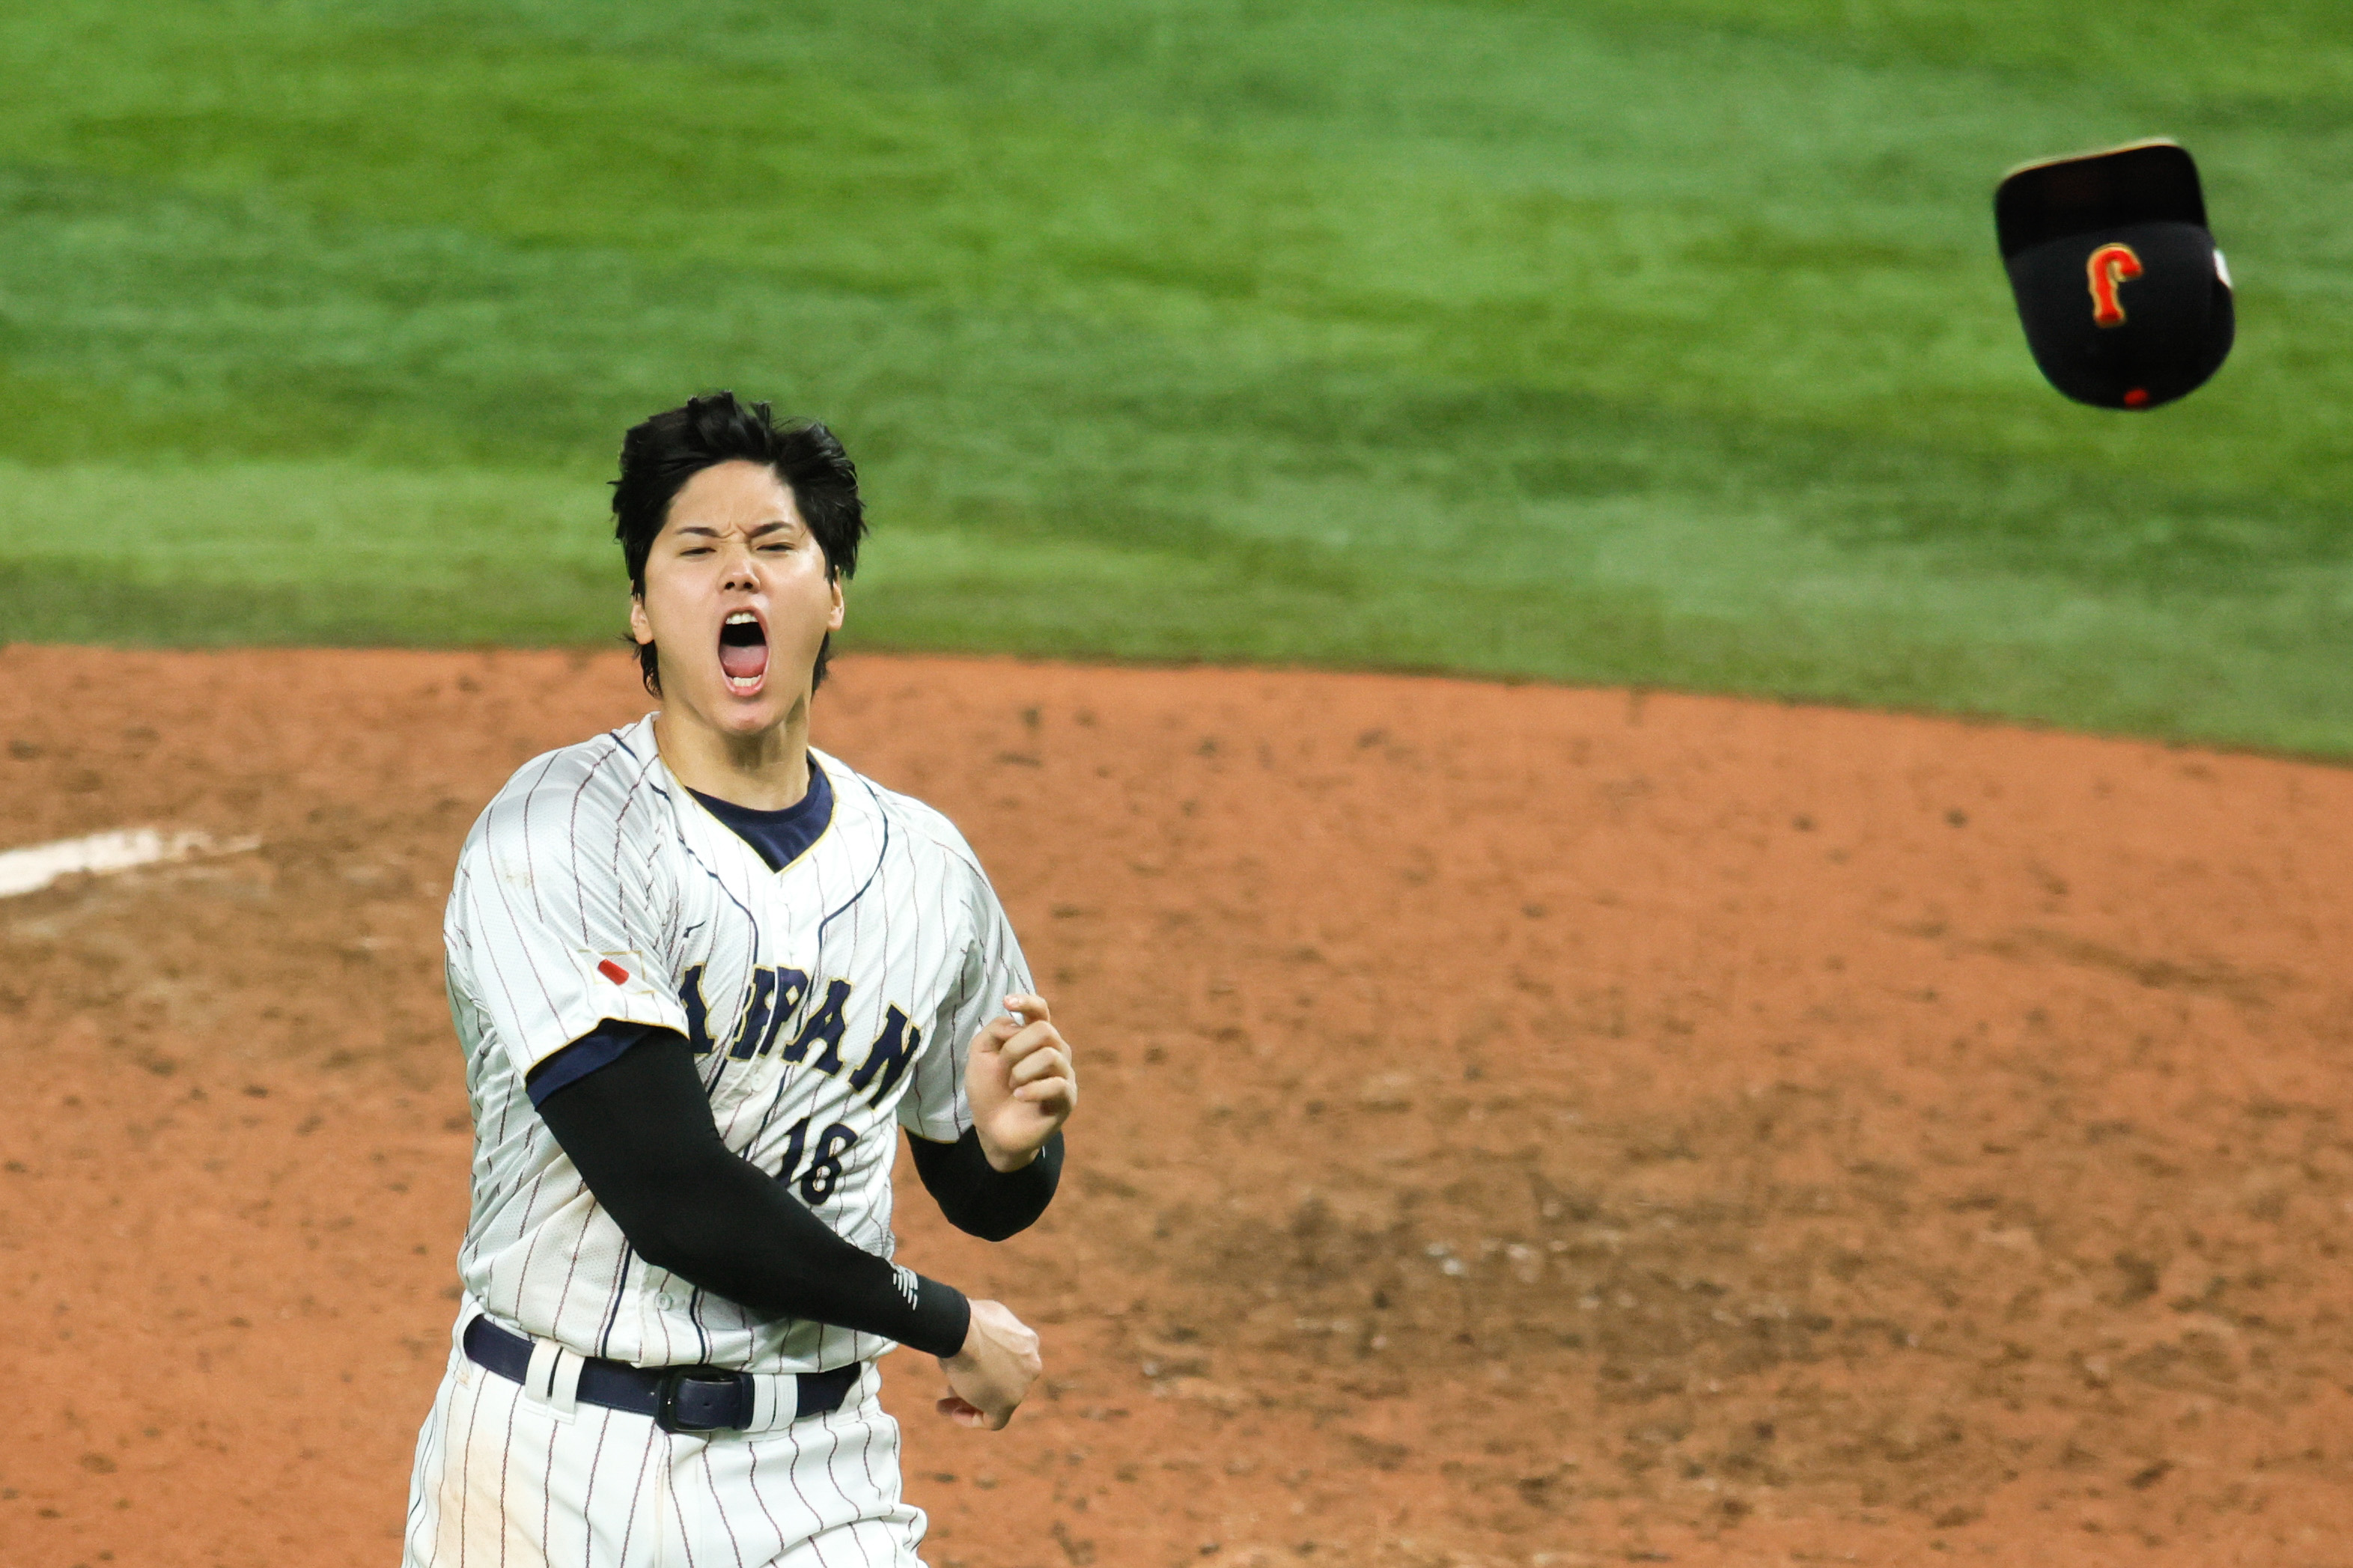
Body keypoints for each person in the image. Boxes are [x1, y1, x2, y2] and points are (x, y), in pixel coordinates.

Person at [400, 391, 1077, 1567]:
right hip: (547, 1469)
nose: (738, 582)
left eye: (774, 549)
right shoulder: (559, 834)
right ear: (643, 609)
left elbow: (981, 1193)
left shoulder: (925, 869)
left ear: (834, 595)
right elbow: (673, 1195)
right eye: (696, 553)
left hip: (817, 1480)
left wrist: (1008, 1153)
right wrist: (945, 1322)